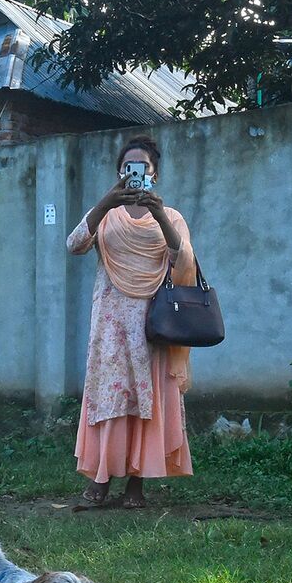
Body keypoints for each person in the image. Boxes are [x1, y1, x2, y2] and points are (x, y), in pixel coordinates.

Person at [70, 135, 196, 509]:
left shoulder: (171, 216)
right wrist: (104, 202)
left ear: (153, 173)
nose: (133, 172)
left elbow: (182, 261)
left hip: (153, 322)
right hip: (110, 320)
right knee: (109, 396)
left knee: (147, 398)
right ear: (119, 172)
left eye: (141, 166)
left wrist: (157, 213)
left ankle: (137, 483)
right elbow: (74, 244)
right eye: (127, 167)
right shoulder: (106, 213)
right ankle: (101, 476)